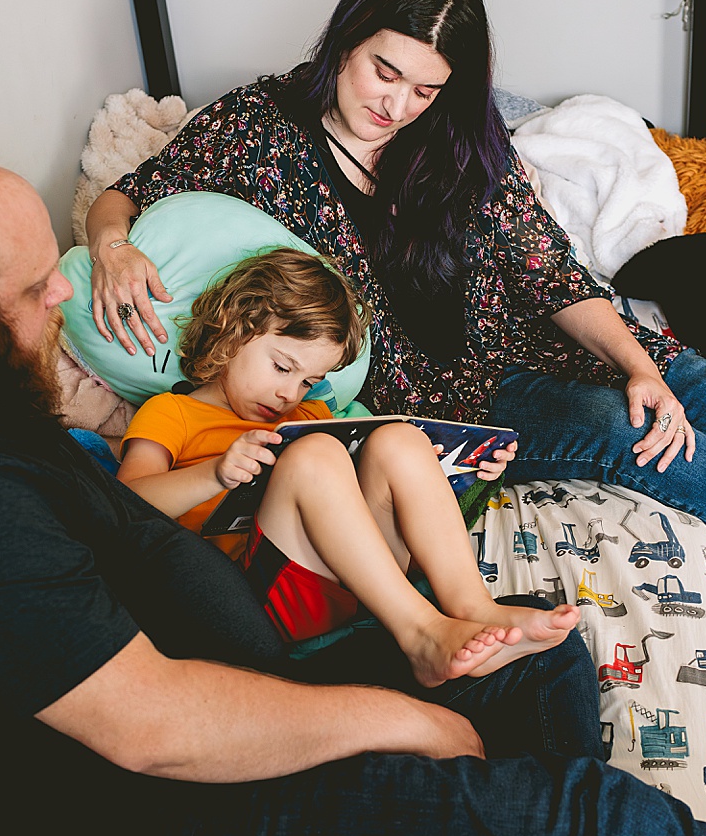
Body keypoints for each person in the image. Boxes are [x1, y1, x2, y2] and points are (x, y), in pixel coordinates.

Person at [0, 143, 706, 836]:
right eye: (36, 292)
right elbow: (154, 732)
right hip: (181, 831)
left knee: (538, 661)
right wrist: (403, 720)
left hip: (238, 690)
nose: (63, 302)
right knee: (603, 823)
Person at [84, 0, 706, 600]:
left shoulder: (456, 139)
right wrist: (115, 246)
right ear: (347, 41)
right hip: (445, 402)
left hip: (519, 341)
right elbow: (125, 196)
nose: (395, 105)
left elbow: (550, 272)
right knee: (625, 432)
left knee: (691, 381)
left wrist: (637, 361)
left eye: (425, 88)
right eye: (383, 71)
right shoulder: (257, 129)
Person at [117, 247, 576, 687]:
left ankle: (473, 605)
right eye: (282, 367)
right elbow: (123, 506)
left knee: (398, 439)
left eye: (309, 381)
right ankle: (420, 634)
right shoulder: (173, 413)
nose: (290, 395)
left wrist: (463, 473)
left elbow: (374, 501)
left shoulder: (308, 417)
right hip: (258, 594)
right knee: (315, 454)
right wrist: (213, 473)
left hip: (359, 582)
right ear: (230, 332)